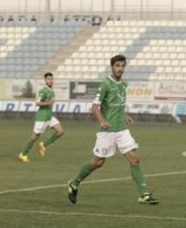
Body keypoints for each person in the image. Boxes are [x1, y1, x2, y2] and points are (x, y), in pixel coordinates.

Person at [67, 55, 158, 205]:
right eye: (117, 65)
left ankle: (144, 194)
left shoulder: (124, 84)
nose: (120, 68)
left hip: (122, 130)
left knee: (134, 159)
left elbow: (118, 105)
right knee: (98, 163)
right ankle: (74, 182)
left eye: (122, 66)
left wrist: (125, 115)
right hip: (107, 130)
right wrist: (102, 121)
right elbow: (95, 106)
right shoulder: (106, 84)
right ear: (112, 67)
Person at [18, 72, 64, 163]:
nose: (51, 81)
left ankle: (43, 145)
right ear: (45, 80)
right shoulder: (43, 91)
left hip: (49, 116)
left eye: (51, 79)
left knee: (60, 131)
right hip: (42, 117)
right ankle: (23, 154)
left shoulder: (51, 90)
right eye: (48, 79)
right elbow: (37, 103)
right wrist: (48, 103)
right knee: (35, 137)